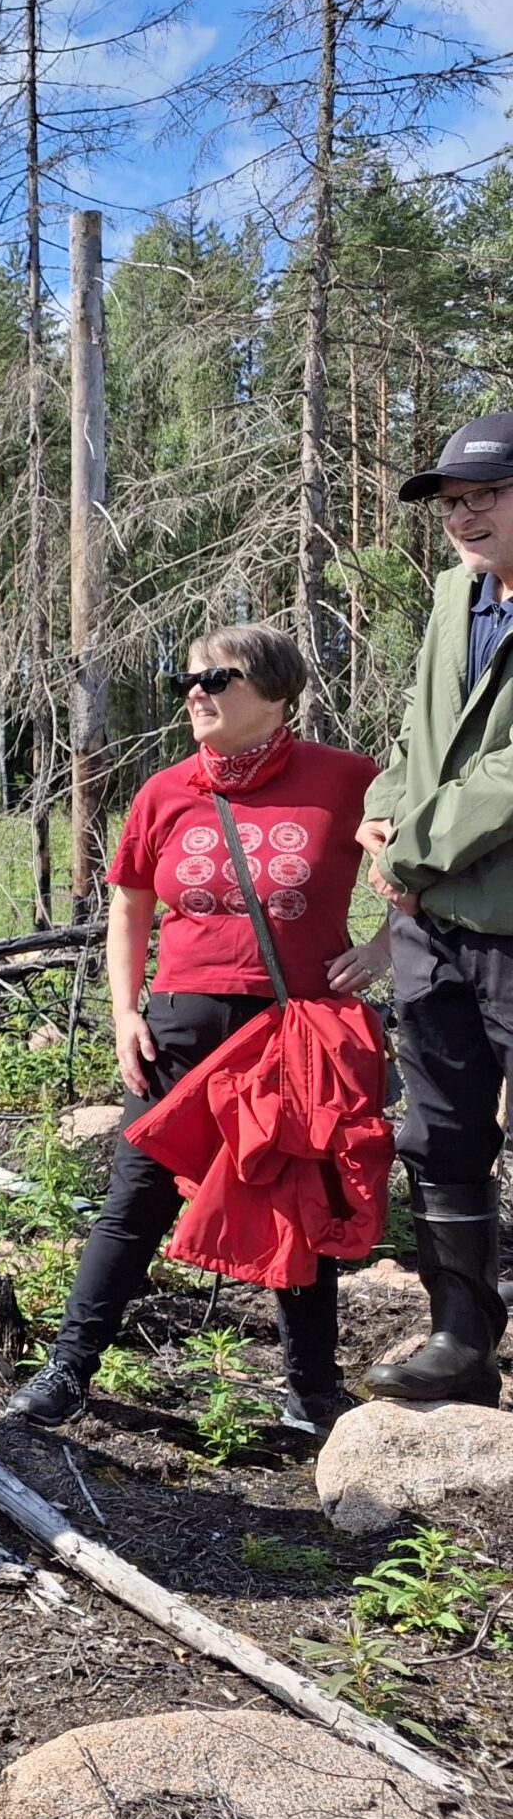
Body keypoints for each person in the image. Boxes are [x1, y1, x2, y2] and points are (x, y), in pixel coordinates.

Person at [8, 625, 390, 1434]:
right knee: (135, 1197)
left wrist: (384, 945)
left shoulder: (350, 780)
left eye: (220, 677)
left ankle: (312, 1390)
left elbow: (420, 862)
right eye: (188, 677)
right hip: (179, 1022)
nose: (197, 691)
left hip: (293, 1028)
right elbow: (131, 905)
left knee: (295, 1199)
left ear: (278, 691)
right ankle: (67, 1373)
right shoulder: (166, 790)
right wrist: (123, 1011)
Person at [357, 413, 513, 1404]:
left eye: (483, 496)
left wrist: (411, 848)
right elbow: (418, 738)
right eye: (450, 503)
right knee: (441, 1131)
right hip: (431, 924)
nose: (461, 516)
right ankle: (461, 1340)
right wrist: (379, 811)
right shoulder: (456, 597)